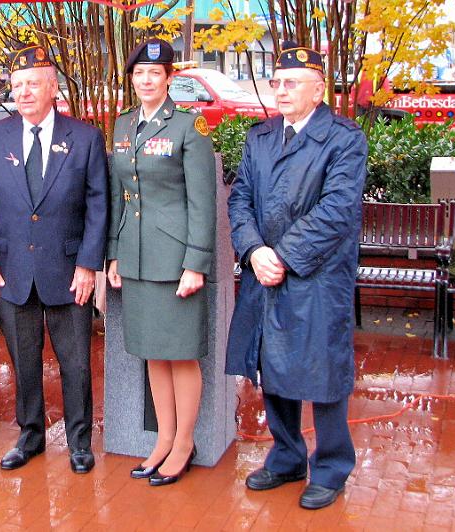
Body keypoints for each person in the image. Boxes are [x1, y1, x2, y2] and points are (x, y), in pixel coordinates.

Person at [225, 41, 367, 510]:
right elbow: (240, 198)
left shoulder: (344, 138)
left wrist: (281, 255)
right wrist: (252, 249)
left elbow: (337, 211)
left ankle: (330, 467)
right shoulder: (260, 137)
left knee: (324, 374)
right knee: (274, 366)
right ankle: (286, 457)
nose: (281, 90)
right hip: (265, 269)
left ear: (319, 88)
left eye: (292, 83)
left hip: (317, 276)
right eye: (276, 82)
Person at [0, 45, 108, 473]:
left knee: (75, 363)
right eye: (17, 86)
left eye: (33, 83)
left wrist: (89, 264)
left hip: (69, 271)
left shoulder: (84, 137)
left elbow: (98, 205)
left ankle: (79, 440)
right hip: (12, 270)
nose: (24, 92)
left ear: (53, 88)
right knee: (24, 360)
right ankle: (29, 435)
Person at [106, 38, 216, 487]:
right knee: (152, 351)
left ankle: (184, 442)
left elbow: (202, 202)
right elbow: (119, 194)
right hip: (135, 256)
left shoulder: (190, 126)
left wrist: (196, 263)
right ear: (132, 79)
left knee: (181, 353)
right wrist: (113, 253)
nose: (146, 80)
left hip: (175, 260)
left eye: (155, 73)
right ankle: (163, 438)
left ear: (170, 78)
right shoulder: (122, 125)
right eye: (139, 74)